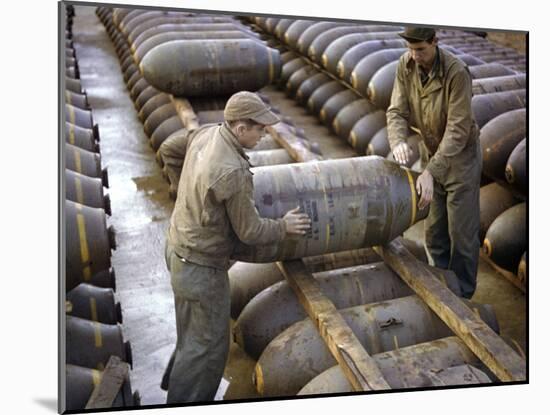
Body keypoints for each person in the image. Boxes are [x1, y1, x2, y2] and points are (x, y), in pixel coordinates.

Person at [162, 91, 312, 403]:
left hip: (177, 248)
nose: (264, 135)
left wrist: (181, 193)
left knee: (191, 334)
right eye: (260, 129)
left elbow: (169, 150)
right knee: (208, 350)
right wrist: (284, 226)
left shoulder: (206, 133)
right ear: (241, 128)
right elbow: (250, 231)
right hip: (201, 270)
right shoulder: (233, 170)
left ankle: (174, 386)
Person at [386, 27, 481, 299]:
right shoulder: (405, 65)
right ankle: (443, 287)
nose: (414, 55)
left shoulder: (456, 72)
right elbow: (396, 111)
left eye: (420, 50)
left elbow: (458, 130)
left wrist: (429, 172)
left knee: (461, 235)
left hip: (460, 160)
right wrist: (398, 141)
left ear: (435, 42)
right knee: (435, 231)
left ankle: (462, 296)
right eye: (410, 49)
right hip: (431, 154)